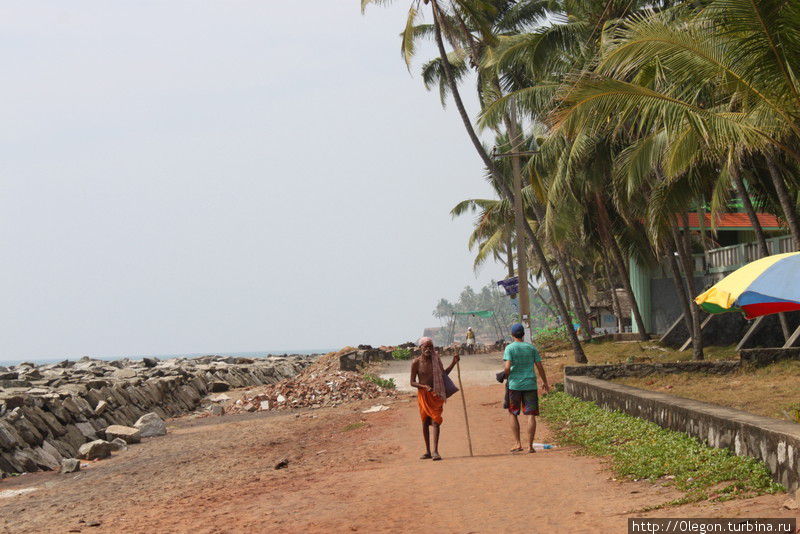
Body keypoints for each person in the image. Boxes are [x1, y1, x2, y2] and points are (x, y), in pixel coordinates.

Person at [410, 337, 460, 461]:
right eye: (425, 347)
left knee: (436, 421)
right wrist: (423, 386)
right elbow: (412, 382)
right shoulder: (416, 362)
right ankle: (427, 451)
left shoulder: (436, 360)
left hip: (436, 395)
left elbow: (444, 374)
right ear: (420, 348)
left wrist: (454, 362)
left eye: (430, 347)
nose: (428, 349)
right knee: (425, 422)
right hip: (423, 395)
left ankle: (435, 451)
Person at [503, 323, 549, 453]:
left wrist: (504, 375)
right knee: (531, 414)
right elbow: (539, 366)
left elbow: (507, 368)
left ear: (512, 335)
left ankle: (518, 443)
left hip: (514, 386)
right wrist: (545, 382)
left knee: (513, 412)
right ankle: (530, 446)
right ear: (523, 334)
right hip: (530, 384)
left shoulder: (509, 348)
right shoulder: (531, 348)